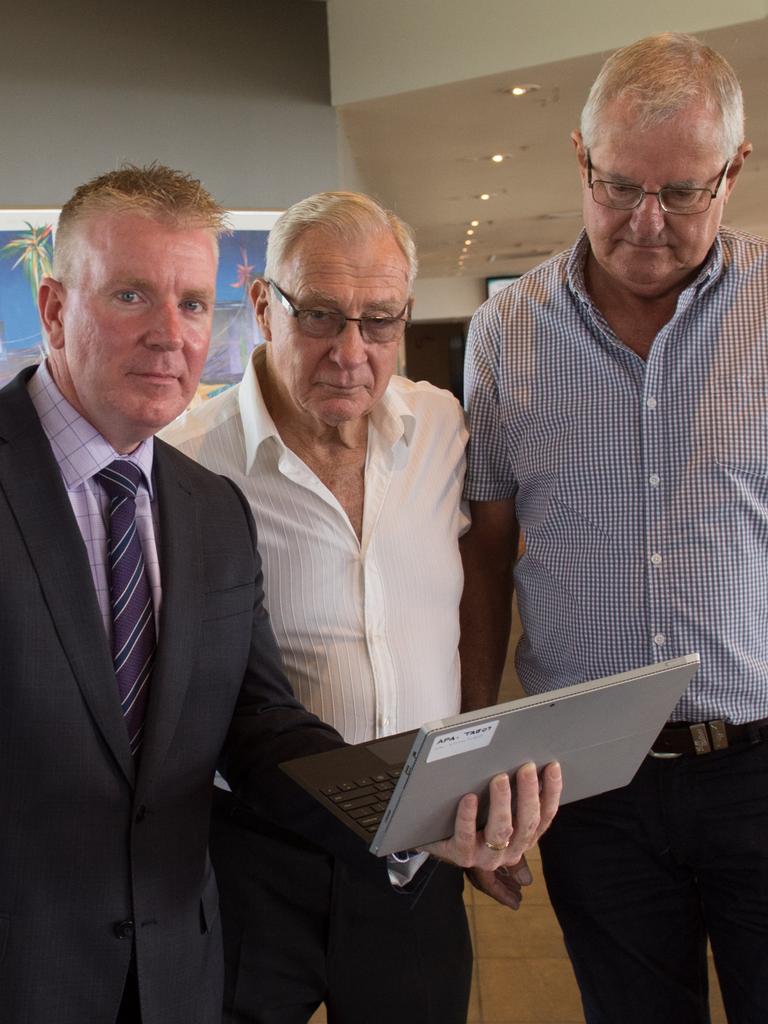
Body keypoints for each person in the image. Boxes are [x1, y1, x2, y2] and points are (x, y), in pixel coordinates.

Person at [0, 165, 561, 1024]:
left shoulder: (201, 506)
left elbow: (259, 723)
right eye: (129, 296)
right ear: (53, 310)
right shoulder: (200, 454)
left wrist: (418, 812)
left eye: (191, 303)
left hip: (178, 958)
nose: (170, 335)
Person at [162, 190, 535, 1024]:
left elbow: (483, 577)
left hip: (418, 860)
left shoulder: (442, 427)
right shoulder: (185, 462)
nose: (352, 352)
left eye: (381, 321)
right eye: (322, 315)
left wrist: (478, 767)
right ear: (262, 304)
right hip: (253, 862)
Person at [460, 31, 768, 1024]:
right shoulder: (505, 333)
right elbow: (487, 551)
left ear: (736, 170)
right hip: (587, 780)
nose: (645, 222)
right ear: (580, 159)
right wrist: (473, 762)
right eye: (617, 185)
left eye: (683, 192)